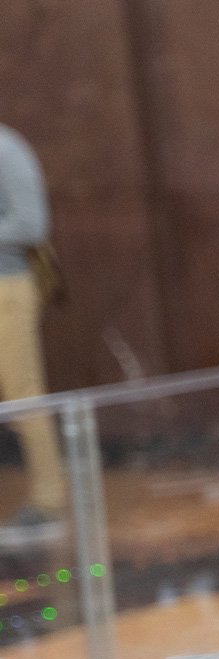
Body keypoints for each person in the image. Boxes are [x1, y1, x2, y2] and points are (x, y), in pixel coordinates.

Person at [0, 122, 61, 530]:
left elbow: (32, 224)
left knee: (22, 395)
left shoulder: (6, 150)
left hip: (8, 287)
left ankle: (48, 501)